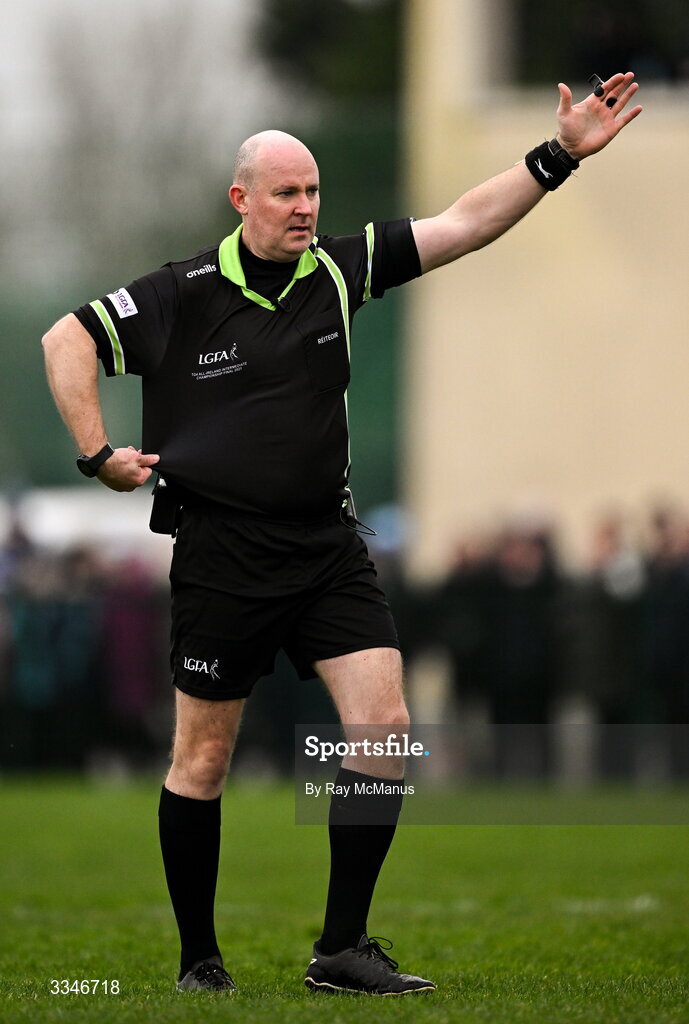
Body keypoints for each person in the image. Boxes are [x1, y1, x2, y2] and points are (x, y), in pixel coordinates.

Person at [41, 72, 642, 996]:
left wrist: (557, 155)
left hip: (325, 548)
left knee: (384, 729)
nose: (305, 208)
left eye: (314, 191)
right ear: (241, 199)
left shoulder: (338, 268)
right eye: (287, 193)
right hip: (220, 553)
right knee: (202, 760)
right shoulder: (180, 292)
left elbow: (464, 221)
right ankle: (199, 962)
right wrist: (98, 455)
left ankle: (342, 948)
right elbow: (64, 341)